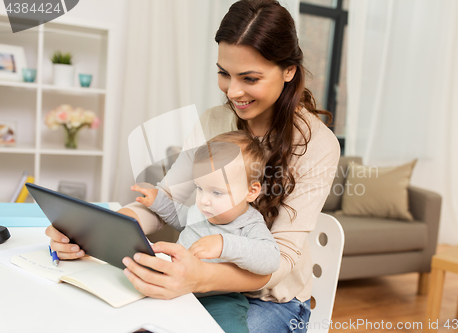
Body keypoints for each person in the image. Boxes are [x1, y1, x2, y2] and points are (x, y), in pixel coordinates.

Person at [46, 0, 340, 332]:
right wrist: (99, 229)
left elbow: (280, 260)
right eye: (224, 73)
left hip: (271, 300)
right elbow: (165, 203)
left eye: (250, 78)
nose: (233, 91)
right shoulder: (213, 121)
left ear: (289, 71)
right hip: (199, 283)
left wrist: (201, 278)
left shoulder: (317, 144)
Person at [132, 131, 280, 333]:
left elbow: (270, 257)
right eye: (200, 188)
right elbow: (180, 218)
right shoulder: (202, 211)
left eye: (217, 192)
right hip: (178, 290)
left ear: (251, 191)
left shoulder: (250, 223)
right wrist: (158, 201)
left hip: (220, 300)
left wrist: (223, 244)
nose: (203, 200)